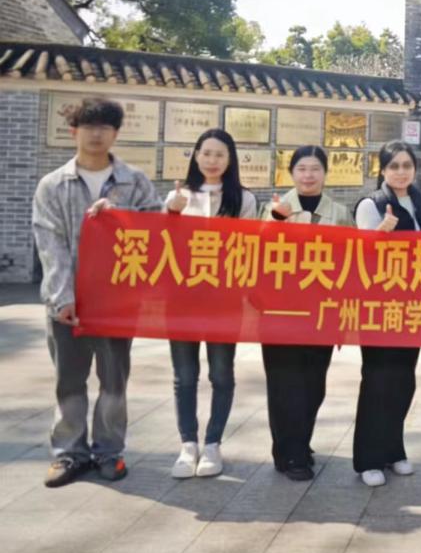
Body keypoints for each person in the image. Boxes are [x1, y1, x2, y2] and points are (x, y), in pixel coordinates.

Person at [32, 97, 161, 487]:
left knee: (113, 381)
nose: (96, 134)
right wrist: (62, 297)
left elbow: (156, 230)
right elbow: (49, 243)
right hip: (67, 305)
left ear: (116, 133)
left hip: (116, 305)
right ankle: (69, 453)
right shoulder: (52, 185)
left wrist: (122, 214)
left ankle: (109, 452)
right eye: (88, 126)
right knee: (69, 381)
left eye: (105, 126)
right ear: (74, 131)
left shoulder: (134, 182)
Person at [165, 128, 258, 479]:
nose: (212, 160)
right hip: (182, 299)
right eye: (206, 153)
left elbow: (249, 247)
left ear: (230, 160)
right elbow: (160, 244)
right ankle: (188, 444)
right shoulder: (178, 197)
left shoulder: (243, 199)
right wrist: (171, 214)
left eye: (220, 154)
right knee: (184, 375)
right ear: (195, 155)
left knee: (221, 373)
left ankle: (213, 443)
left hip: (224, 300)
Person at [262, 145, 354, 481]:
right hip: (279, 312)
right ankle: (290, 453)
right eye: (301, 169)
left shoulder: (339, 213)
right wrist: (277, 220)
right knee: (283, 383)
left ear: (325, 173)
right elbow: (255, 251)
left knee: (313, 385)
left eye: (315, 168)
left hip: (321, 312)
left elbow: (351, 264)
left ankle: (299, 442)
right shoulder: (274, 208)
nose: (308, 175)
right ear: (291, 173)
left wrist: (343, 314)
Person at [351, 140, 421, 487]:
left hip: (413, 306)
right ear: (383, 170)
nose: (401, 172)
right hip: (378, 307)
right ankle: (368, 458)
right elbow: (361, 257)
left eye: (407, 166)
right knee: (378, 380)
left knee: (403, 379)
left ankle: (393, 449)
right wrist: (378, 235)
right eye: (394, 166)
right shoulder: (370, 205)